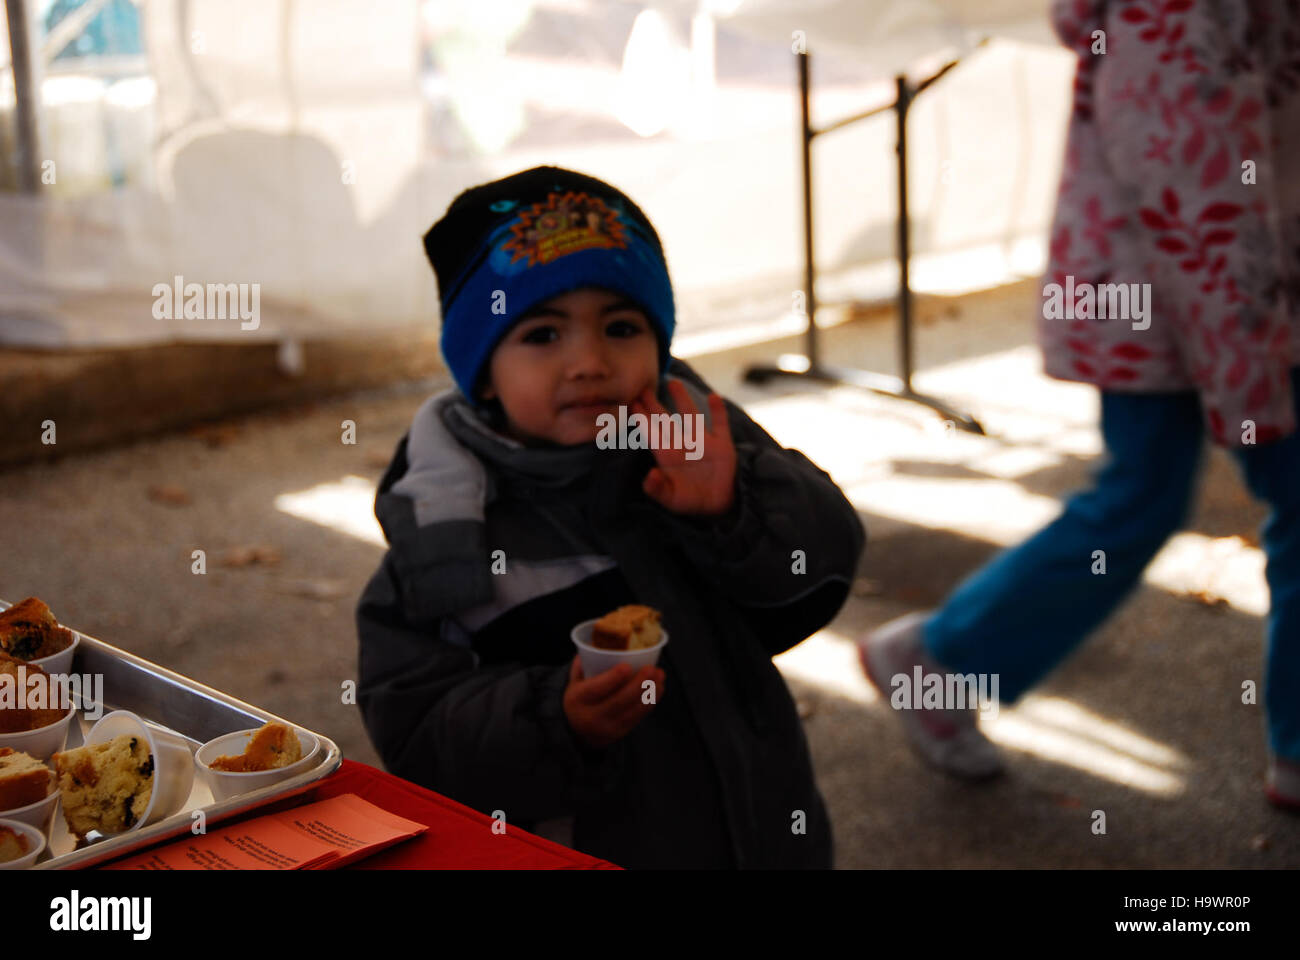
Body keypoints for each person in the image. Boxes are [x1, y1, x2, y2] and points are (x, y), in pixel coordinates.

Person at [355, 165, 866, 867]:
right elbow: (416, 736)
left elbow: (817, 585)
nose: (590, 362)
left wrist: (731, 511)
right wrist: (555, 717)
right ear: (482, 370)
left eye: (622, 327)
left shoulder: (697, 442)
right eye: (541, 335)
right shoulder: (446, 524)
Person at [861, 0, 1300, 809]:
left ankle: (944, 658)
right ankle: (943, 658)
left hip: (1220, 294)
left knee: (1144, 494)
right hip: (1170, 298)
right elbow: (1195, 193)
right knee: (1155, 495)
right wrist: (1250, 383)